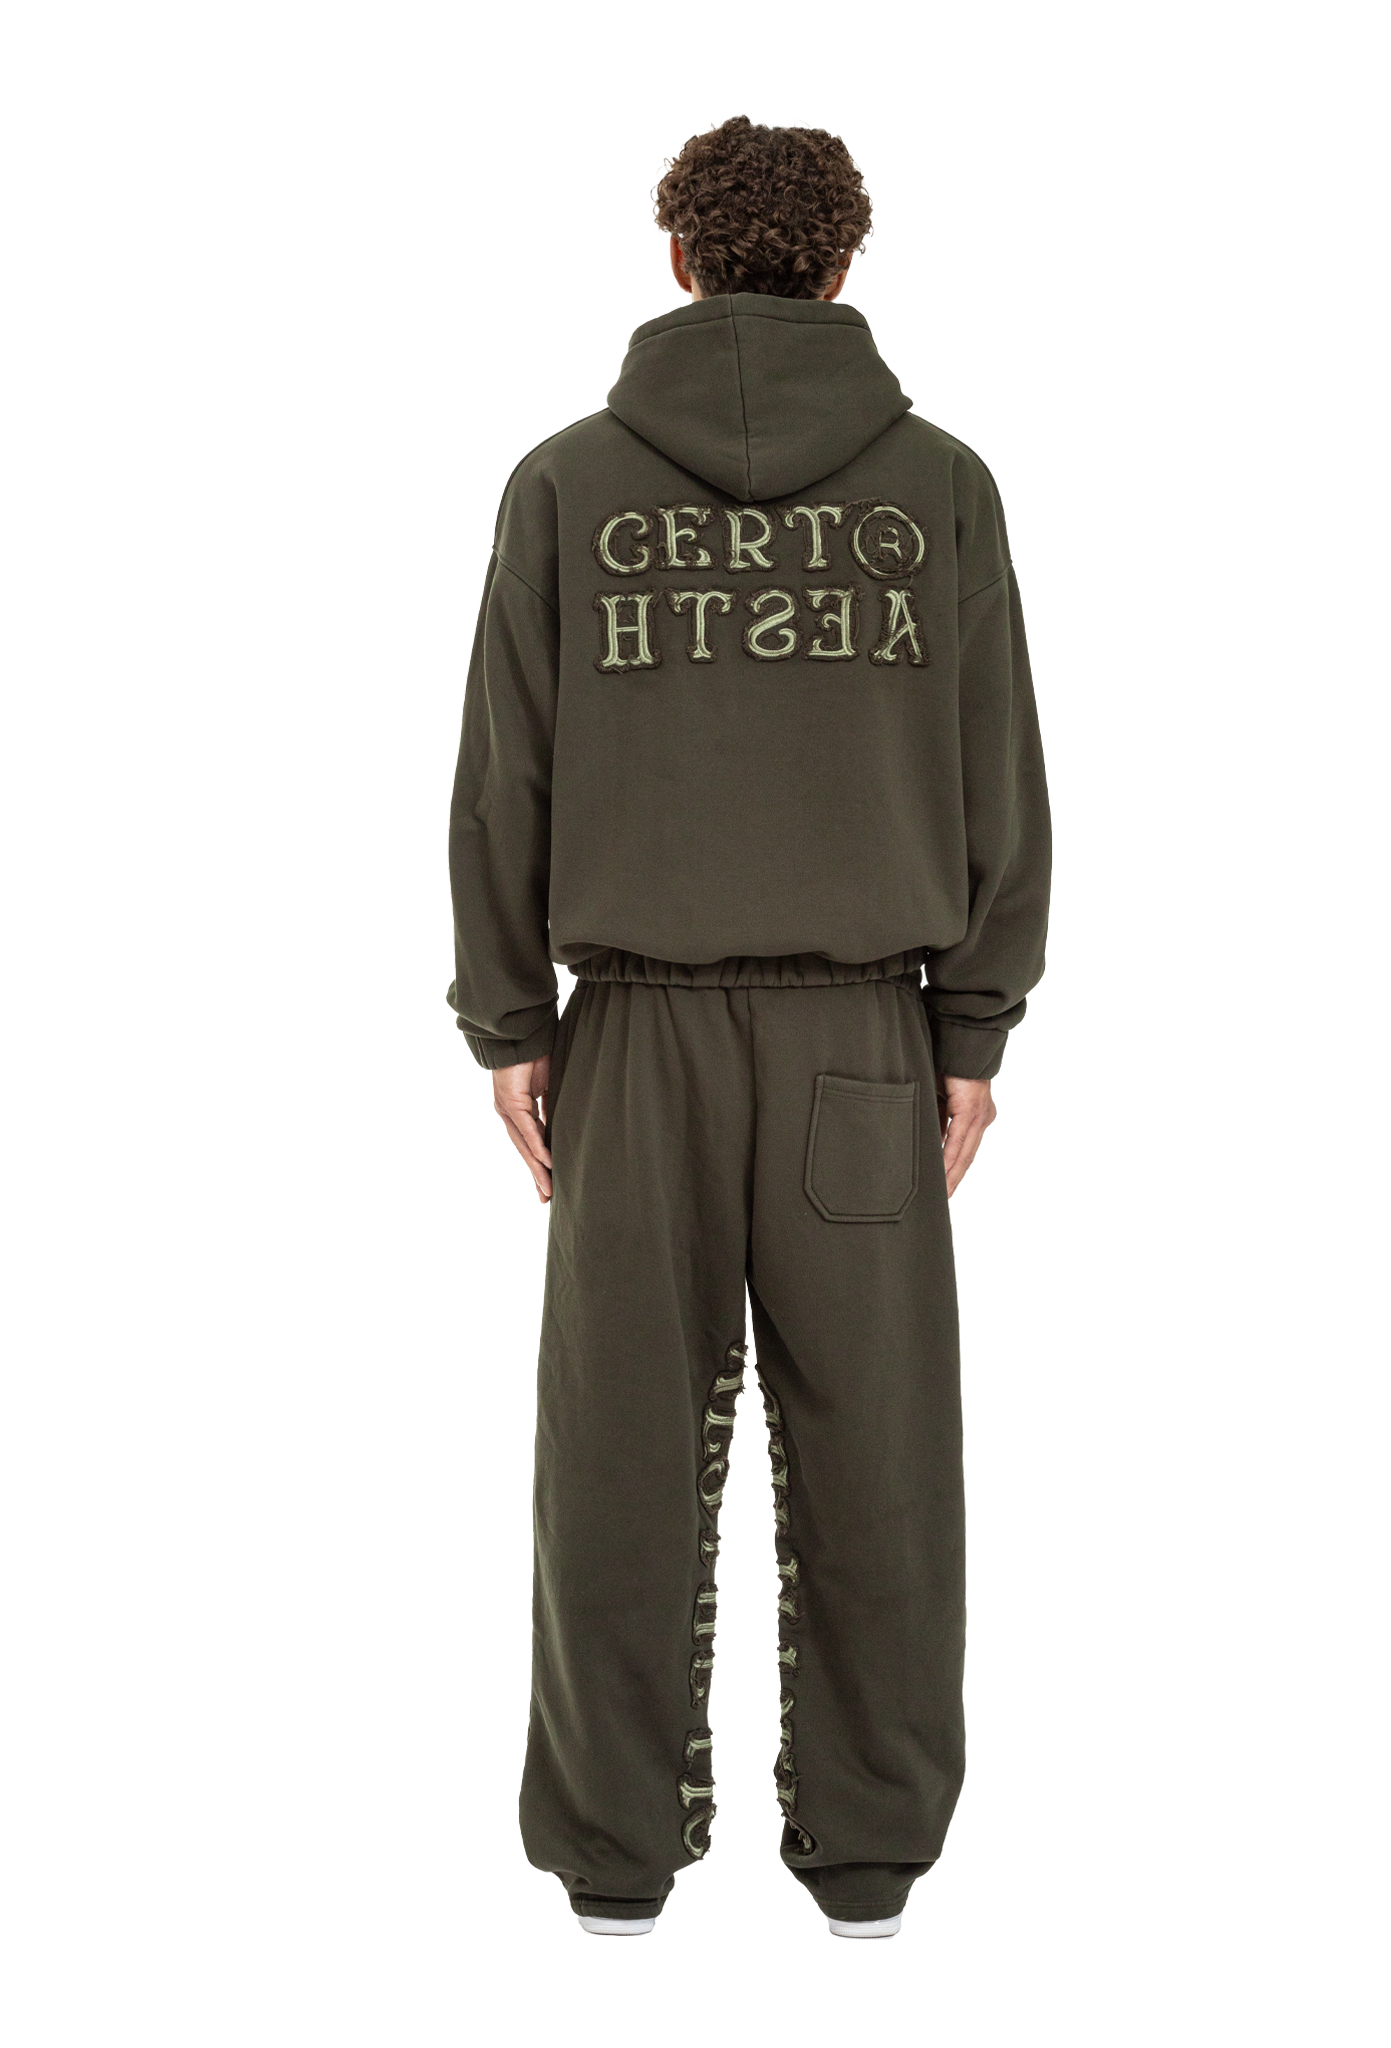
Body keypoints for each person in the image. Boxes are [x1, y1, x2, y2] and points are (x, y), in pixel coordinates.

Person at [448, 114, 1050, 1940]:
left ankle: (612, 1852)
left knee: (616, 1460)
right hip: (868, 1041)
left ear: (683, 260)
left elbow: (504, 778)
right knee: (881, 1459)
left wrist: (507, 1019)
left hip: (631, 1039)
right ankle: (868, 1858)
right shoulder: (941, 489)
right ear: (844, 265)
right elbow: (1002, 783)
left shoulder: (566, 486)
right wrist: (972, 1031)